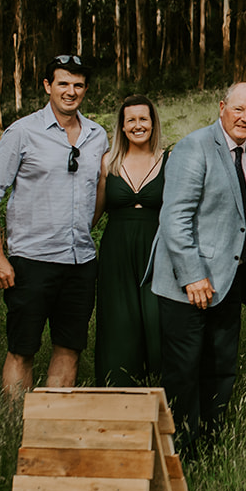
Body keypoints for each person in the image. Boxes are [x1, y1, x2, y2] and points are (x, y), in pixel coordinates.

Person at [0, 55, 108, 396]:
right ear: (48, 86)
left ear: (86, 90)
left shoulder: (97, 135)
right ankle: (14, 427)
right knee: (23, 348)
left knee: (69, 347)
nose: (71, 91)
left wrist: (81, 226)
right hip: (31, 260)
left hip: (80, 262)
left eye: (78, 85)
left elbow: (100, 191)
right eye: (63, 83)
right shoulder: (23, 132)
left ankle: (52, 427)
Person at [149, 83, 246, 449]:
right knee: (184, 371)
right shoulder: (194, 146)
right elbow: (175, 218)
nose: (245, 118)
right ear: (221, 107)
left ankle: (210, 442)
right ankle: (180, 450)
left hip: (230, 280)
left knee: (221, 368)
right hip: (190, 284)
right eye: (239, 109)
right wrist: (193, 275)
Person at [94, 94, 165, 387]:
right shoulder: (108, 162)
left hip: (157, 251)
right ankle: (119, 391)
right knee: (119, 324)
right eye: (131, 120)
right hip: (117, 252)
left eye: (143, 119)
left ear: (153, 123)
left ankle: (166, 396)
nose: (138, 125)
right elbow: (93, 214)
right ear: (122, 127)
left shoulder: (168, 159)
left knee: (158, 321)